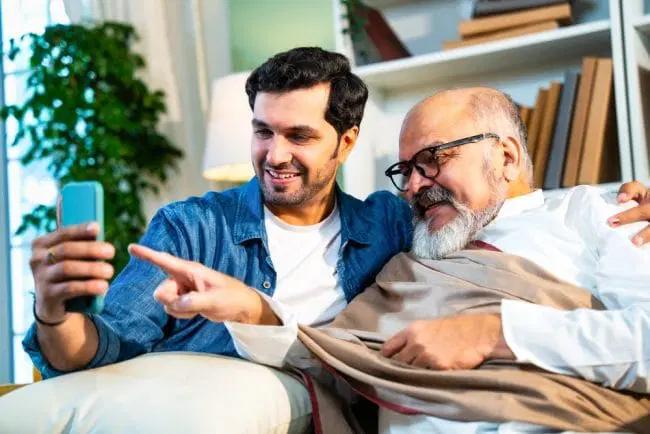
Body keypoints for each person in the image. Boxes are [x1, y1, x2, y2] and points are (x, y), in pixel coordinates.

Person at [24, 47, 649, 383]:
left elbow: (497, 208)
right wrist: (54, 312)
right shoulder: (193, 228)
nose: (274, 155)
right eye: (262, 132)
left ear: (346, 142)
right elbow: (103, 346)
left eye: (299, 135)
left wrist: (614, 202)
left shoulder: (393, 225)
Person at [198, 86, 648, 433]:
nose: (414, 185)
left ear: (506, 157)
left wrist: (497, 334)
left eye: (432, 160)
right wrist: (251, 311)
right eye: (405, 170)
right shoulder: (406, 259)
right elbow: (340, 358)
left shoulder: (599, 214)